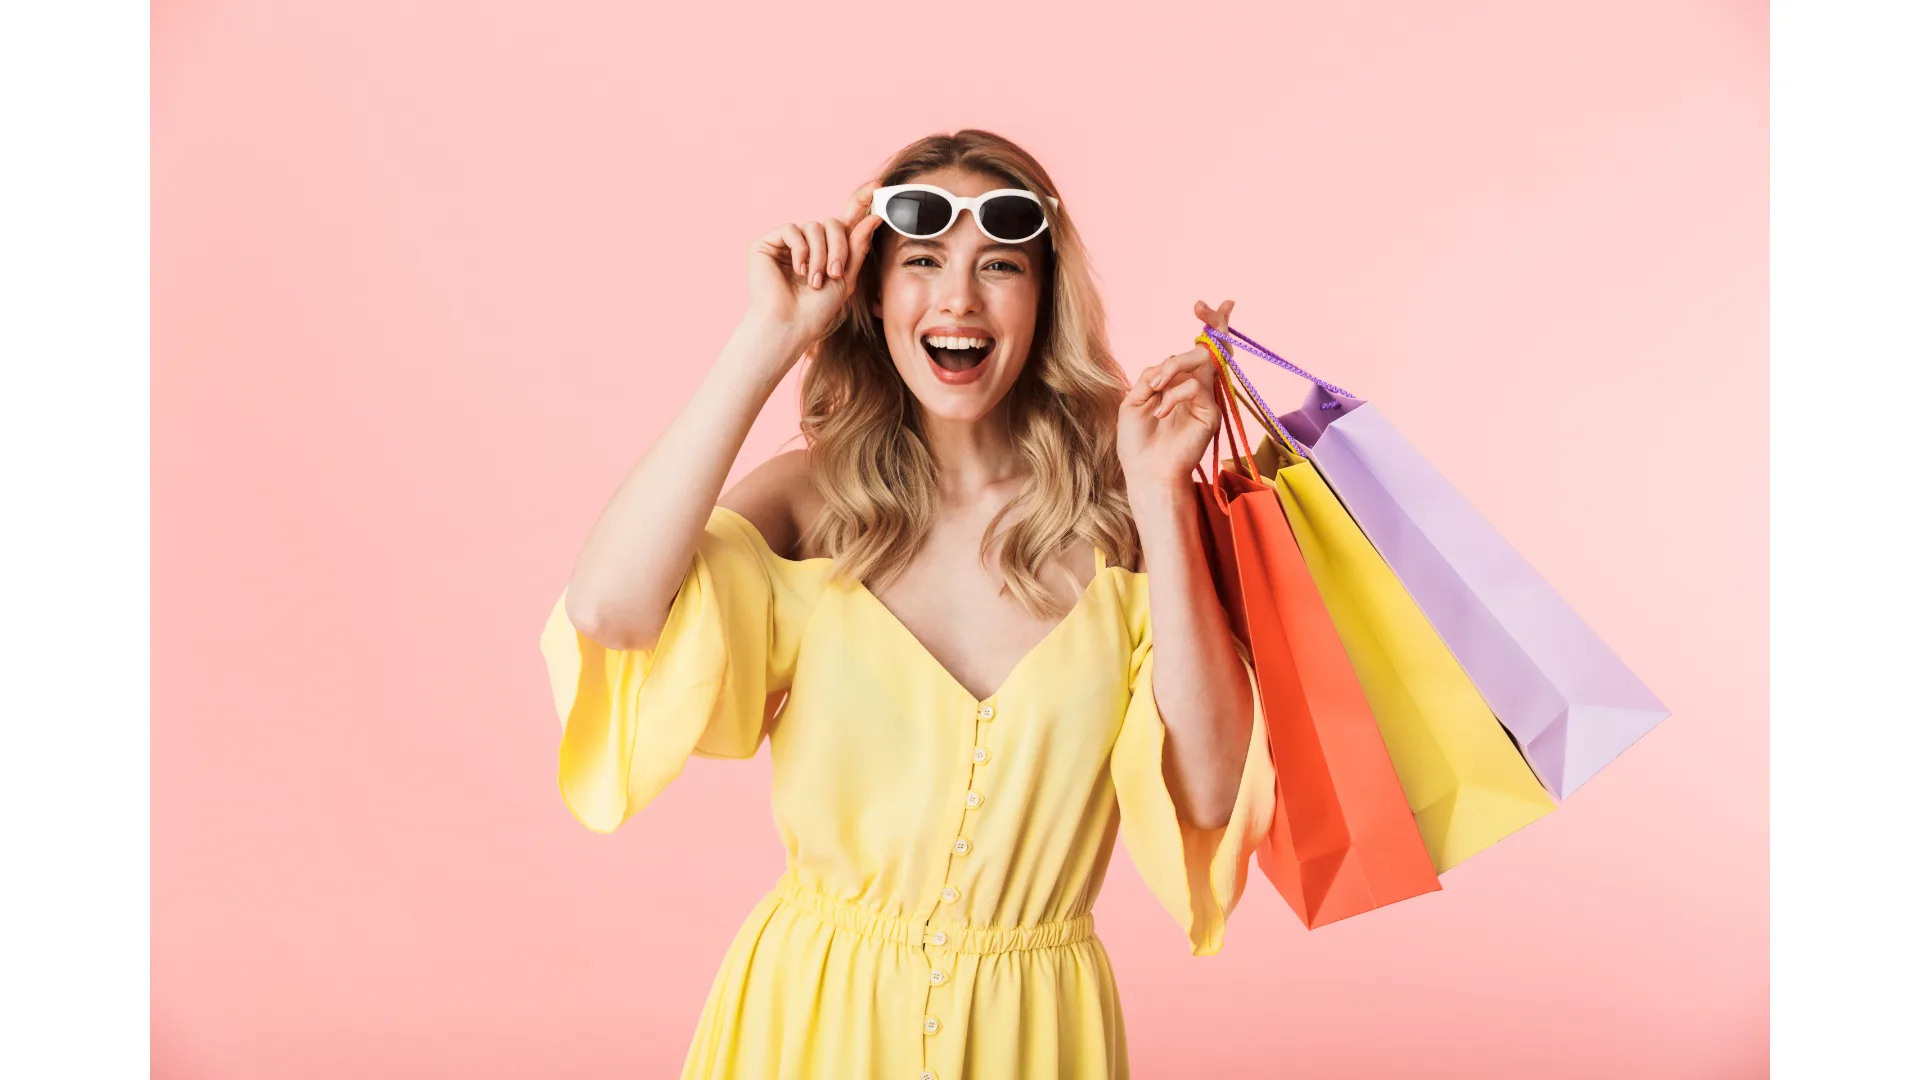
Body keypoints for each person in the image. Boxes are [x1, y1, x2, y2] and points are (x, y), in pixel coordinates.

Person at [539, 129, 1275, 1080]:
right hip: (805, 1026)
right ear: (873, 296)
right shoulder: (811, 502)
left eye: (999, 266)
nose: (958, 298)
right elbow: (609, 610)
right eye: (922, 263)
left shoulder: (1126, 520)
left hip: (1031, 1039)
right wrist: (768, 341)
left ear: (1044, 300)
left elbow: (1211, 790)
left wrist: (1162, 493)